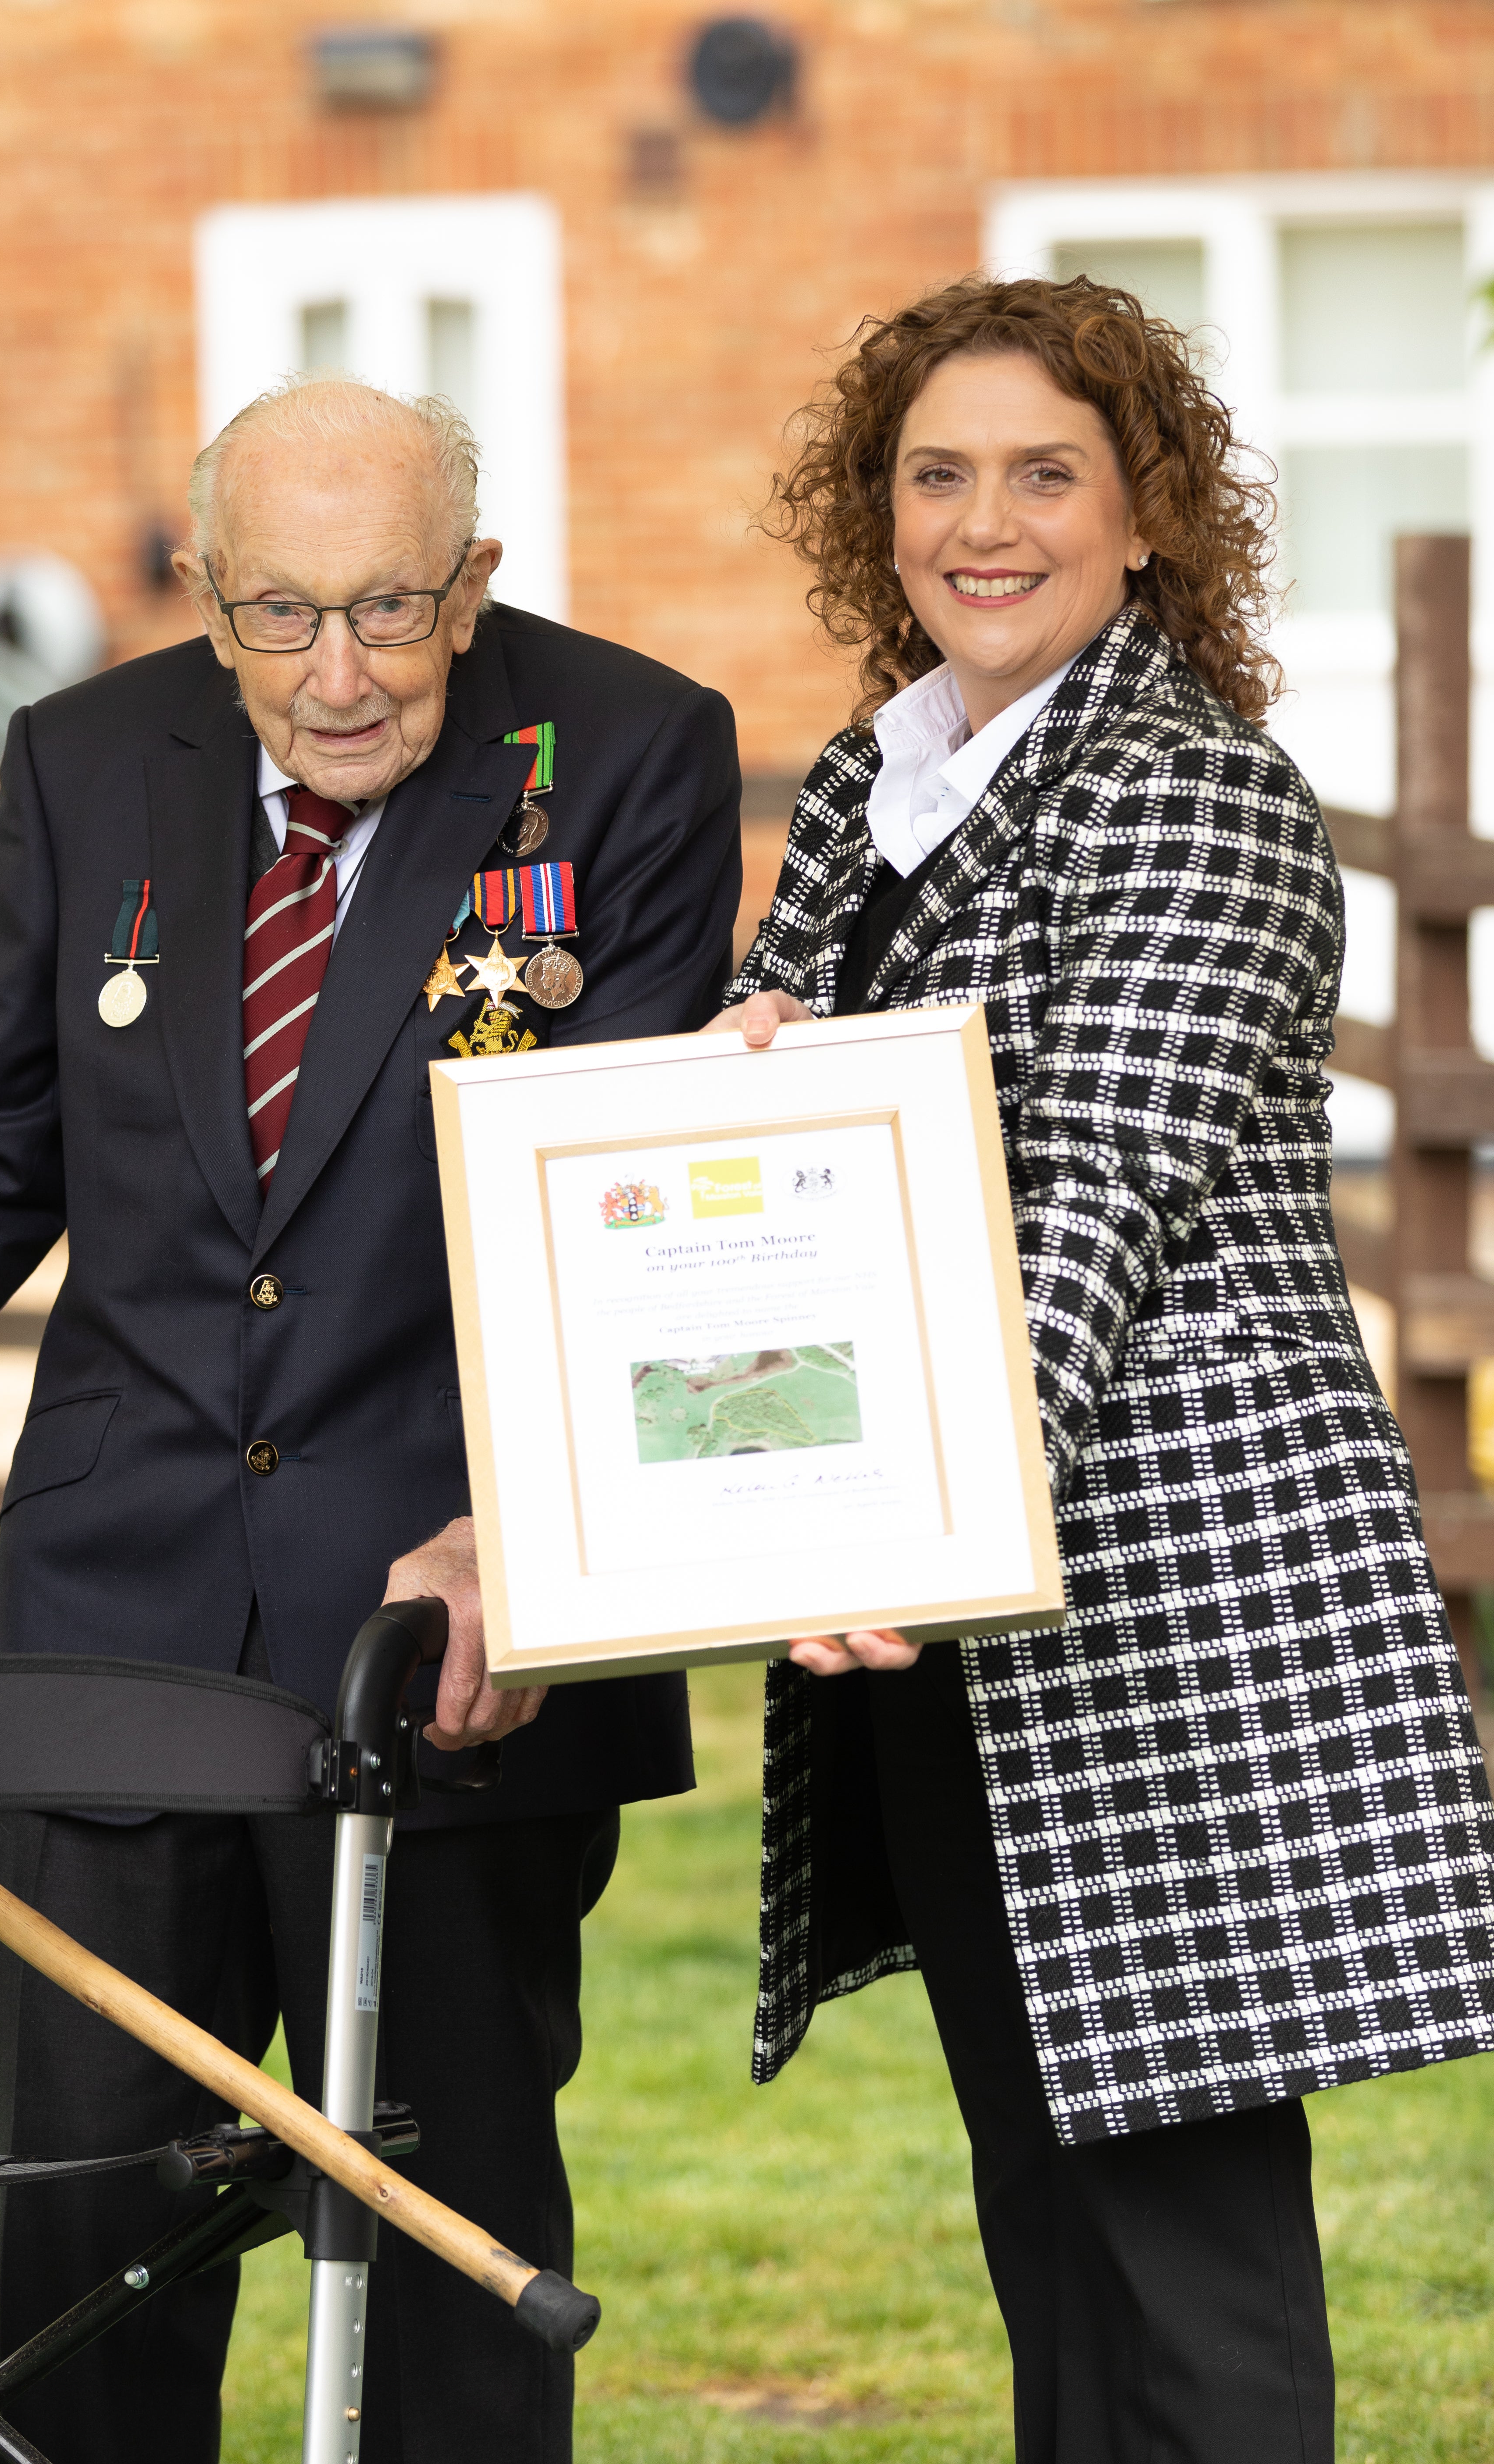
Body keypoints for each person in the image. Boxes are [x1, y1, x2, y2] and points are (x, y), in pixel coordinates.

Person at [0, 376, 741, 2461]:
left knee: (444, 2249)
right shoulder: (83, 757)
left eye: (389, 608)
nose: (338, 672)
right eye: (280, 612)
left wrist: (524, 1531)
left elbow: (633, 1213)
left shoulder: (630, 752)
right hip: (112, 1629)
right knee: (98, 2252)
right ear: (207, 599)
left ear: (474, 583)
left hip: (450, 1634)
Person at [710, 275, 1494, 2461]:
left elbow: (1092, 1211)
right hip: (960, 1621)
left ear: (1142, 513)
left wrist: (904, 1515)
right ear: (876, 515)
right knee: (1046, 2223)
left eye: (1042, 473)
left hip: (1154, 1600)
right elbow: (791, 1177)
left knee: (1180, 2256)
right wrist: (740, 1088)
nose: (985, 521)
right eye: (933, 474)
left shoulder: (1196, 796)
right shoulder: (879, 791)